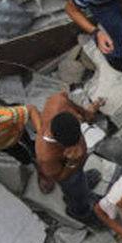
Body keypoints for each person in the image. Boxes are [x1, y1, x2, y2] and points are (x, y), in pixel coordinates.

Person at [34, 92, 104, 220]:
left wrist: (85, 113)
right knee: (75, 190)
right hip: (69, 173)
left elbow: (71, 104)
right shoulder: (46, 155)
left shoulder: (58, 102)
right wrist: (73, 163)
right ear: (60, 144)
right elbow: (60, 178)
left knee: (80, 181)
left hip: (76, 164)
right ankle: (80, 212)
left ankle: (83, 184)